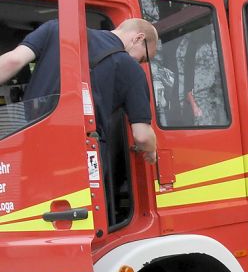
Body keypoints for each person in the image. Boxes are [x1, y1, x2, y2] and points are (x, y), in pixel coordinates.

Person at [0, 18, 159, 164]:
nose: (141, 63)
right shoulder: (131, 69)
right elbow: (142, 136)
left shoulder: (56, 29)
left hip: (28, 142)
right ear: (138, 38)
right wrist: (151, 150)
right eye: (143, 58)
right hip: (79, 158)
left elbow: (13, 60)